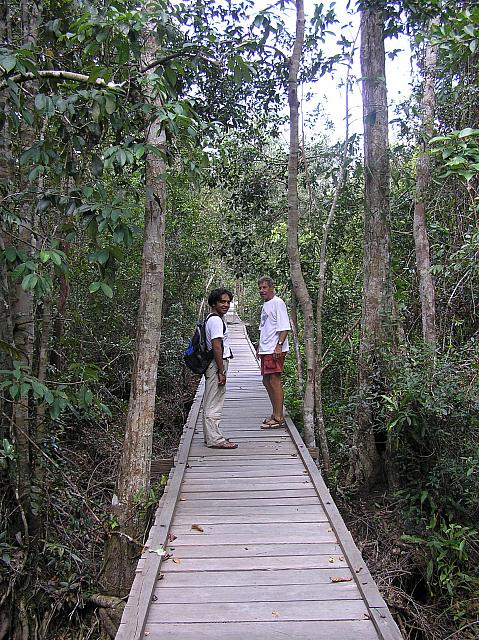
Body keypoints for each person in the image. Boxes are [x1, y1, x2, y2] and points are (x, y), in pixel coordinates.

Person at [202, 288, 238, 449]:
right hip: (216, 364)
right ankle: (215, 440)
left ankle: (212, 436)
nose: (226, 305)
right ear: (213, 303)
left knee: (211, 400)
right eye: (222, 301)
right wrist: (221, 371)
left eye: (228, 302)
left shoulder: (212, 318)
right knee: (214, 402)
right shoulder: (216, 321)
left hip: (215, 364)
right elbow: (217, 347)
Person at [256, 276, 291, 429]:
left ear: (271, 288)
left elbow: (284, 327)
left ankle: (278, 417)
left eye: (264, 287)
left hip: (274, 349)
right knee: (266, 381)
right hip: (266, 348)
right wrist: (259, 347)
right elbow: (264, 327)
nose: (261, 291)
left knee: (274, 381)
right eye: (260, 288)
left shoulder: (278, 303)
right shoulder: (266, 305)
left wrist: (279, 345)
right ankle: (276, 412)